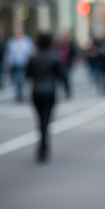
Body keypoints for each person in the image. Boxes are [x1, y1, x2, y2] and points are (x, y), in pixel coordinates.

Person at [26, 34, 70, 162]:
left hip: (36, 92)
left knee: (40, 120)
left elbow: (28, 75)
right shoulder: (54, 57)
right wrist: (67, 91)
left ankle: (42, 146)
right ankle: (43, 147)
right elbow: (62, 75)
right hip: (50, 91)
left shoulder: (33, 58)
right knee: (46, 120)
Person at [4, 25, 35, 102]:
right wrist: (9, 62)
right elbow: (9, 53)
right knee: (17, 79)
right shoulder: (11, 42)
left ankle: (22, 93)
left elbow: (31, 51)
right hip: (16, 64)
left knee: (23, 79)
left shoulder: (27, 40)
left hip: (25, 63)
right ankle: (19, 94)